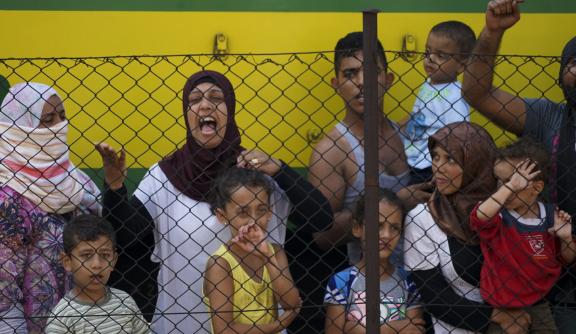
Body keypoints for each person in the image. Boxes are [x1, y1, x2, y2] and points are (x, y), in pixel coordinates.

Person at [96, 70, 333, 334]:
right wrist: (115, 186)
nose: (205, 105)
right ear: (187, 115)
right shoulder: (164, 176)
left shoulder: (256, 174)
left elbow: (322, 218)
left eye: (216, 98)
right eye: (194, 100)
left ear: (229, 110)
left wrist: (281, 169)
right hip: (183, 324)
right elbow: (125, 237)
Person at [462, 0, 576, 332]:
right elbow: (477, 93)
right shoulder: (550, 118)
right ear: (561, 74)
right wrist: (492, 32)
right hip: (563, 285)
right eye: (574, 63)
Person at [404, 122, 533, 334]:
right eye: (435, 157)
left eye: (451, 159)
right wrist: (498, 315)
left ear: (476, 162)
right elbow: (434, 296)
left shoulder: (506, 208)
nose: (439, 167)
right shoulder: (422, 219)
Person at [0, 82, 101, 334]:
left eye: (62, 116)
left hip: (87, 322)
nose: (59, 126)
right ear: (21, 128)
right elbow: (4, 295)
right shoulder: (7, 195)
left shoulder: (77, 180)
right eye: (47, 119)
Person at [469, 137, 576, 333]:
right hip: (502, 304)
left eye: (514, 183)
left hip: (539, 301)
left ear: (536, 187)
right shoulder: (499, 215)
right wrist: (510, 187)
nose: (504, 188)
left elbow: (566, 258)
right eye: (500, 182)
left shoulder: (551, 215)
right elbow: (479, 217)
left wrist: (566, 238)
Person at [204, 167, 301, 333]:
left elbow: (291, 303)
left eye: (261, 210)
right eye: (243, 212)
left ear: (270, 212)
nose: (253, 220)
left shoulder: (275, 252)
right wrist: (276, 326)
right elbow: (224, 330)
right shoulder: (221, 264)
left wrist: (268, 258)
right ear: (222, 216)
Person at [324, 189, 424, 334]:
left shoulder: (408, 281)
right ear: (357, 228)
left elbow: (413, 330)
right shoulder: (342, 282)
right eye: (378, 226)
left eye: (395, 228)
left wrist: (355, 329)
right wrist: (391, 329)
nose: (387, 235)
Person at [45, 214, 149, 333]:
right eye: (86, 255)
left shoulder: (125, 302)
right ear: (68, 262)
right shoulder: (63, 317)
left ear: (113, 261)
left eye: (105, 255)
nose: (97, 265)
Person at [403, 21, 476, 183]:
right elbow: (417, 115)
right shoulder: (429, 83)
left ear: (461, 66)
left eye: (441, 56)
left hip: (430, 166)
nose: (430, 59)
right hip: (412, 158)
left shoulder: (455, 95)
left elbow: (458, 135)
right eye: (427, 51)